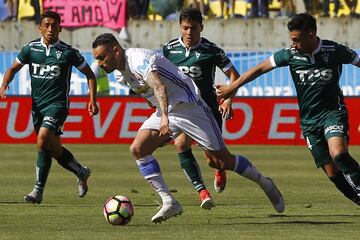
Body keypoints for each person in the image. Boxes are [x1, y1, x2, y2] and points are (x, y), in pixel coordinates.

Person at [92, 33, 285, 223]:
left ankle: (265, 183)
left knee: (221, 161)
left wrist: (164, 119)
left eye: (102, 57)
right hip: (166, 110)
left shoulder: (138, 59)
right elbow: (151, 94)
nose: (100, 63)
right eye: (97, 59)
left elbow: (159, 87)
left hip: (191, 108)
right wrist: (162, 119)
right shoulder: (119, 74)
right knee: (138, 149)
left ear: (116, 50)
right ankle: (169, 201)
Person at [216, 13, 360, 206]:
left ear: (311, 35)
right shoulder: (290, 54)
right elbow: (259, 69)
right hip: (309, 122)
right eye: (291, 39)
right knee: (333, 173)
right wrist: (233, 87)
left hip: (333, 113)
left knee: (339, 154)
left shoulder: (334, 50)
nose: (293, 43)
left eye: (296, 39)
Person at [0, 10, 99, 204]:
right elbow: (12, 69)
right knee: (52, 148)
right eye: (46, 25)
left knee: (42, 138)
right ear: (40, 27)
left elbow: (90, 74)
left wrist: (92, 99)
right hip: (37, 107)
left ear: (60, 28)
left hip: (58, 106)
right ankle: (81, 171)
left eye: (54, 25)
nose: (50, 29)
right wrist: (4, 85)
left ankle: (37, 191)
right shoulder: (30, 49)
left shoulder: (68, 52)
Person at [163, 7, 239, 210]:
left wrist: (228, 100)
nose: (189, 33)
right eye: (186, 28)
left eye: (194, 28)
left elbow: (234, 76)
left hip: (208, 111)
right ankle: (202, 192)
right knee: (180, 144)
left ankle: (220, 169)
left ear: (201, 28)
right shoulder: (169, 49)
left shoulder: (212, 51)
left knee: (213, 160)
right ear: (180, 27)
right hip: (182, 110)